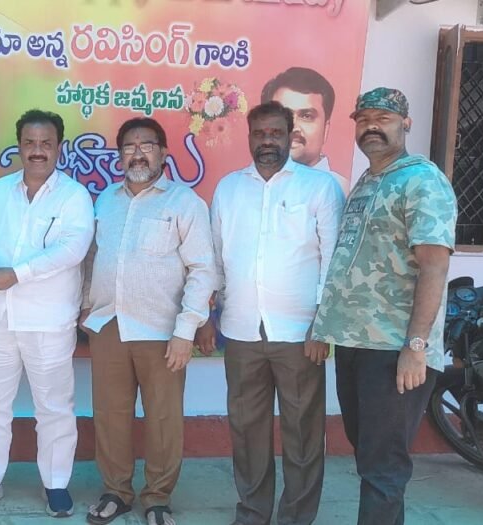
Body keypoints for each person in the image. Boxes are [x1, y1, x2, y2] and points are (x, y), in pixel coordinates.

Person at [311, 87, 457, 525]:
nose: (371, 127)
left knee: (383, 465)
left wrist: (416, 346)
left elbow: (434, 266)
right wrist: (323, 328)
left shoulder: (422, 180)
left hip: (394, 347)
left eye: (383, 118)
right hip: (355, 342)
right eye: (363, 119)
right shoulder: (368, 181)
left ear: (405, 124)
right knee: (371, 454)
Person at [196, 101, 344, 525]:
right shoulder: (229, 189)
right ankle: (253, 513)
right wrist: (208, 316)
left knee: (302, 434)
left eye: (275, 133)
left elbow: (333, 261)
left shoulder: (319, 187)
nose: (267, 141)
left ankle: (296, 517)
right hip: (241, 330)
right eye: (259, 133)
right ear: (249, 137)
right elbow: (215, 259)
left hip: (300, 334)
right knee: (247, 431)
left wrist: (322, 325)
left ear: (289, 135)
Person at [82, 117, 216, 525]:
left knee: (163, 420)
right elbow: (91, 258)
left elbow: (203, 269)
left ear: (163, 152)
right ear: (119, 155)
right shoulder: (105, 200)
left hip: (162, 330)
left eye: (147, 145)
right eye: (129, 146)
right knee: (110, 416)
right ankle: (116, 492)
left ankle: (157, 498)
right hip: (109, 325)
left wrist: (185, 331)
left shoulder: (184, 203)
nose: (138, 153)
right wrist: (85, 307)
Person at [0, 109, 94, 518]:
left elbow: (72, 249)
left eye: (46, 144)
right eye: (30, 143)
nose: (38, 151)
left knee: (54, 407)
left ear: (59, 148)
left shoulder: (74, 196)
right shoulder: (0, 190)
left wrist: (17, 274)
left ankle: (56, 484)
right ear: (19, 146)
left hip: (49, 320)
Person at [261, 66, 348, 193]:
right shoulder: (239, 188)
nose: (293, 127)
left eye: (306, 116)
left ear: (325, 129)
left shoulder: (344, 193)